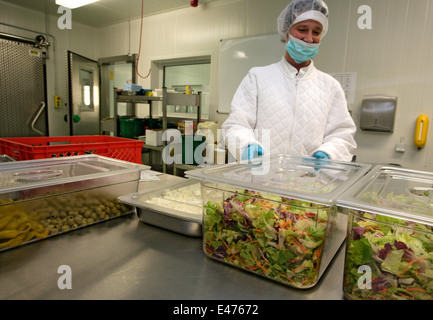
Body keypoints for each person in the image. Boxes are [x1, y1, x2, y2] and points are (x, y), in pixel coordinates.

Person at [221, 0, 357, 163]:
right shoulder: (258, 77)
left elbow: (342, 135)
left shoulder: (330, 86)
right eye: (302, 29)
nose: (309, 38)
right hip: (259, 178)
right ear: (286, 31)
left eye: (316, 32)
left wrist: (329, 153)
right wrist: (246, 146)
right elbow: (237, 125)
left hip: (309, 181)